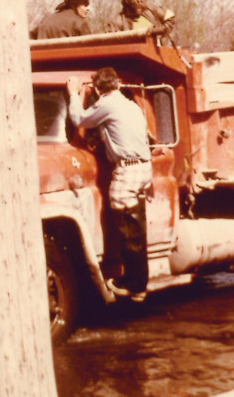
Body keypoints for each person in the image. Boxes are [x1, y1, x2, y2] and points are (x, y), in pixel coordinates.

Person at [67, 67, 151, 301]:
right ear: (118, 84)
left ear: (96, 89)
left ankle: (136, 284)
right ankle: (138, 282)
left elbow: (79, 119)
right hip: (143, 166)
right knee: (136, 225)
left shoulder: (108, 104)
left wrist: (73, 94)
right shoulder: (130, 104)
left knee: (128, 224)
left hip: (128, 168)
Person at [106, 0, 175, 36]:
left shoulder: (150, 9)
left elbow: (170, 17)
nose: (140, 7)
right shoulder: (118, 22)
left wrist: (162, 30)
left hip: (154, 50)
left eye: (142, 2)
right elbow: (108, 41)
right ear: (127, 3)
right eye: (135, 4)